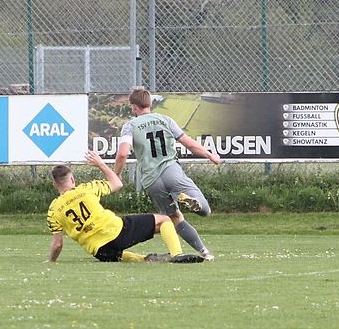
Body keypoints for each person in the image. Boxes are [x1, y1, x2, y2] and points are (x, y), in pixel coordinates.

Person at [114, 87, 221, 261]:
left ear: (134, 107)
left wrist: (116, 174)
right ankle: (190, 200)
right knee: (205, 211)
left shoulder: (130, 126)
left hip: (151, 180)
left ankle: (205, 252)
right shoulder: (165, 120)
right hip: (171, 171)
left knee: (175, 217)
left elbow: (123, 153)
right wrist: (210, 155)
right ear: (149, 104)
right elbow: (189, 143)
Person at [47, 150, 204, 264]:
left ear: (54, 184)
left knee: (117, 255)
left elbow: (58, 244)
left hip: (100, 251)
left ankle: (146, 259)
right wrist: (100, 164)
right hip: (117, 233)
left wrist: (51, 262)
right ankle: (177, 255)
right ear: (72, 179)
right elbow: (117, 183)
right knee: (163, 220)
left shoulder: (53, 210)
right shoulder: (87, 189)